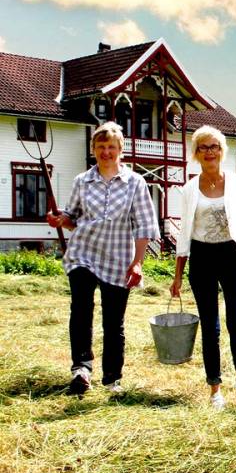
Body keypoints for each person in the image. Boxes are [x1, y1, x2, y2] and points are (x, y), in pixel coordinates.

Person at [47, 121, 159, 395]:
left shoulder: (135, 183)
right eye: (101, 146)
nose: (106, 152)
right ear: (93, 149)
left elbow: (144, 226)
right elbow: (72, 218)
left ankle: (112, 379)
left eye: (111, 147)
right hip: (83, 253)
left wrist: (138, 262)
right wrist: (61, 220)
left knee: (113, 320)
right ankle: (81, 369)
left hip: (119, 258)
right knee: (81, 309)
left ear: (121, 150)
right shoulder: (82, 181)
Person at [170, 125, 236, 410]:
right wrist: (178, 276)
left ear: (223, 151)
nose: (210, 152)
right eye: (204, 147)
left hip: (232, 254)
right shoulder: (189, 188)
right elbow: (185, 232)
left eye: (215, 147)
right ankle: (214, 389)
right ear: (196, 153)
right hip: (202, 257)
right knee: (211, 326)